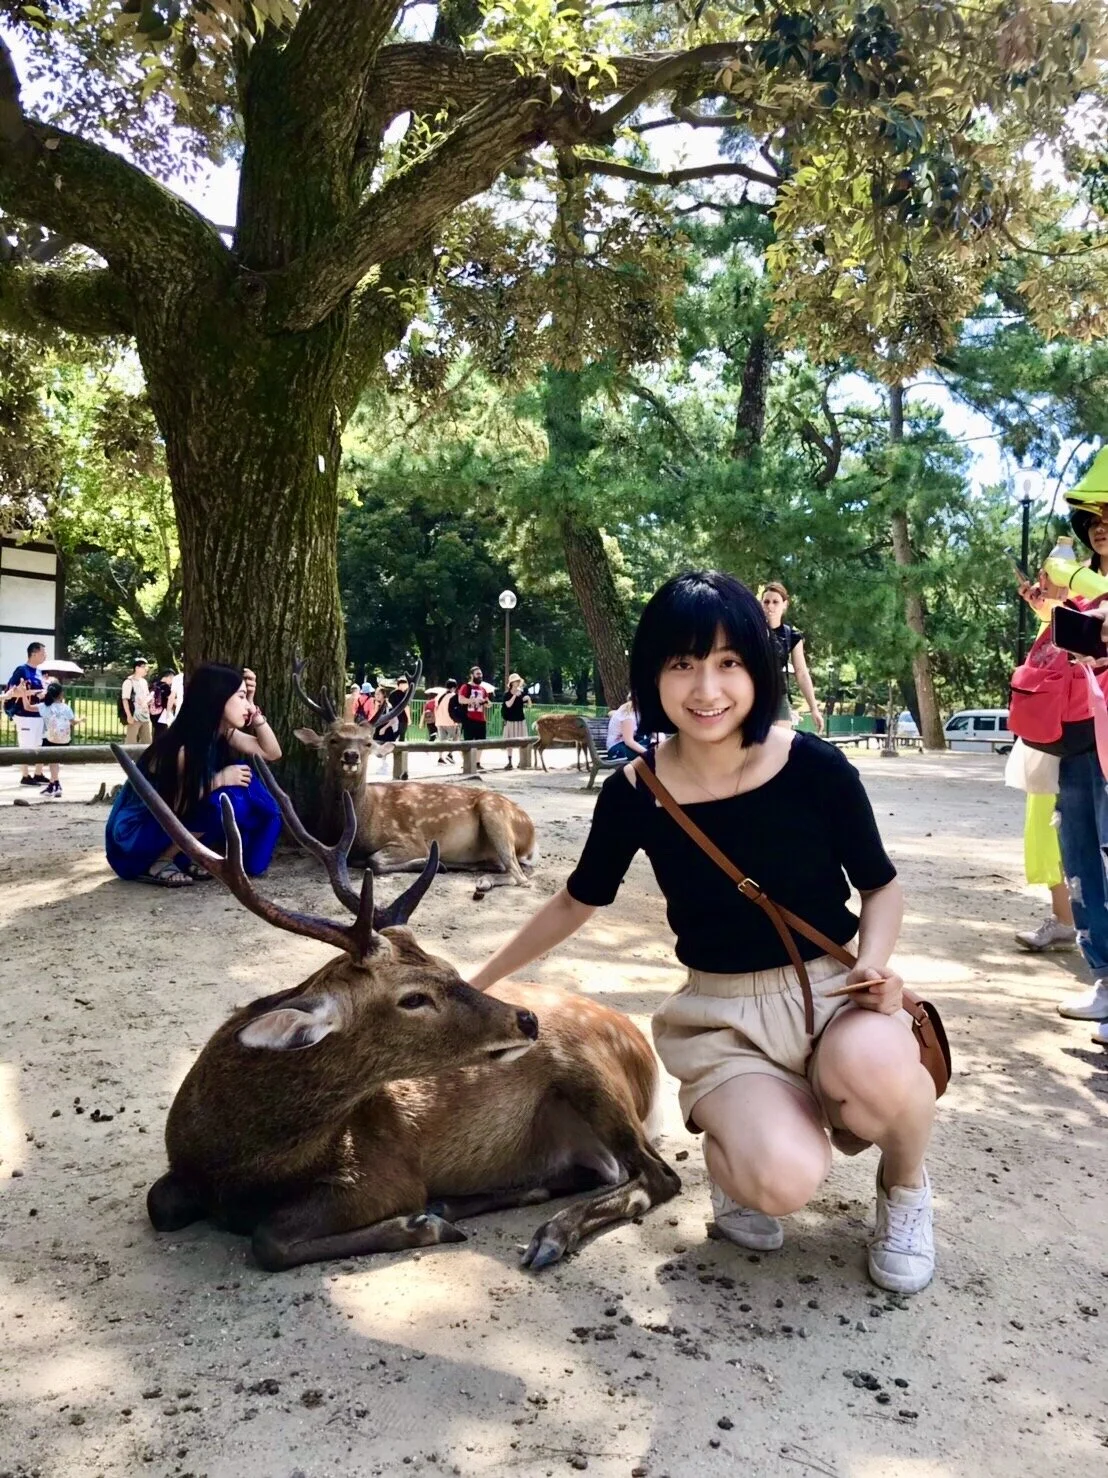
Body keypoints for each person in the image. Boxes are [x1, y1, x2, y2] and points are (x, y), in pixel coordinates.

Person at [470, 570, 935, 1293]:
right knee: (780, 1181)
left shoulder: (815, 766)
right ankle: (741, 1156)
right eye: (682, 664)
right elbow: (575, 901)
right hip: (725, 1017)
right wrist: (476, 984)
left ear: (757, 669)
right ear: (653, 675)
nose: (706, 689)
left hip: (834, 992)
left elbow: (881, 886)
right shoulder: (635, 793)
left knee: (878, 1071)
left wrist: (873, 962)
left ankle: (905, 1191)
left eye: (728, 662)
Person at [105, 661, 282, 888]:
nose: (246, 705)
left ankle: (187, 856)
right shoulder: (182, 749)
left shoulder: (222, 734)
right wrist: (218, 780)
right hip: (135, 838)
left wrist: (254, 710)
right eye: (240, 697)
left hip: (167, 828)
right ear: (217, 698)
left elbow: (271, 752)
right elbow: (174, 806)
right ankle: (161, 860)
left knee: (233, 798)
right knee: (219, 801)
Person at [1011, 571, 1075, 954]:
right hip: (1049, 727)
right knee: (1045, 825)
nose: (1043, 583)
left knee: (1084, 829)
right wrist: (1045, 607)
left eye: (1052, 577)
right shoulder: (1056, 615)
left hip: (1081, 727)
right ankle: (1064, 918)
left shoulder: (1089, 595)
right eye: (1043, 576)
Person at [760, 583, 824, 733]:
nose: (770, 606)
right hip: (752, 695)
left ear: (784, 605)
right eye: (766, 602)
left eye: (775, 602)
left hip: (778, 697)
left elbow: (801, 673)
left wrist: (814, 708)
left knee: (782, 742)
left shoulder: (792, 636)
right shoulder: (751, 631)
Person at [4, 641, 48, 785]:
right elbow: (12, 692)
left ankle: (38, 773)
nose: (45, 656)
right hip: (24, 714)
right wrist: (34, 692)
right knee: (26, 744)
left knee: (39, 743)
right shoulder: (21, 670)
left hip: (38, 712)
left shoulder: (39, 672)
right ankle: (25, 775)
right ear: (33, 654)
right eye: (43, 653)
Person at [36, 680, 83, 798]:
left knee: (53, 762)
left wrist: (25, 695)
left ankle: (56, 784)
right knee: (55, 762)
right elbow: (73, 722)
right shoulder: (66, 708)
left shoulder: (45, 707)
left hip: (50, 738)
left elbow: (27, 707)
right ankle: (52, 784)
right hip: (64, 739)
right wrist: (81, 719)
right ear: (61, 694)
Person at [458, 666, 489, 769]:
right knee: (468, 742)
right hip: (469, 718)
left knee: (481, 742)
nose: (480, 676)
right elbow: (461, 700)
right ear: (472, 675)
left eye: (481, 674)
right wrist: (472, 700)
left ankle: (477, 763)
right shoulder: (466, 687)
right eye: (478, 674)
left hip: (481, 719)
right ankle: (467, 762)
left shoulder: (483, 689)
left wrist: (486, 703)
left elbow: (488, 703)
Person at [605, 694, 650, 762]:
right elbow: (629, 742)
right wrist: (649, 754)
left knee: (658, 747)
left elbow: (655, 733)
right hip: (617, 749)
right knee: (654, 753)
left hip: (627, 746)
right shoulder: (628, 714)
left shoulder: (639, 711)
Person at [501, 673, 531, 769]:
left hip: (520, 720)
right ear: (511, 683)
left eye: (518, 681)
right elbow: (508, 705)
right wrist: (514, 695)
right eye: (516, 681)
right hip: (510, 720)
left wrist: (528, 699)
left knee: (522, 741)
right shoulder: (507, 694)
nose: (517, 682)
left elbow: (529, 706)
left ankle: (521, 761)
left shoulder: (522, 693)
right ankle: (509, 762)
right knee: (509, 742)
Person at [121, 658, 153, 746]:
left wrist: (148, 701)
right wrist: (129, 716)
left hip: (145, 715)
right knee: (131, 742)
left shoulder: (144, 682)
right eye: (144, 666)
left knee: (148, 742)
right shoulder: (128, 682)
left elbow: (147, 696)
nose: (146, 669)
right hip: (134, 716)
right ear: (137, 668)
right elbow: (125, 699)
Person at [434, 679, 460, 764]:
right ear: (453, 688)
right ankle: (450, 754)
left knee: (441, 741)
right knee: (455, 738)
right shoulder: (454, 696)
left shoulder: (439, 695)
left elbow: (435, 708)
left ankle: (440, 758)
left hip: (439, 721)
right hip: (450, 721)